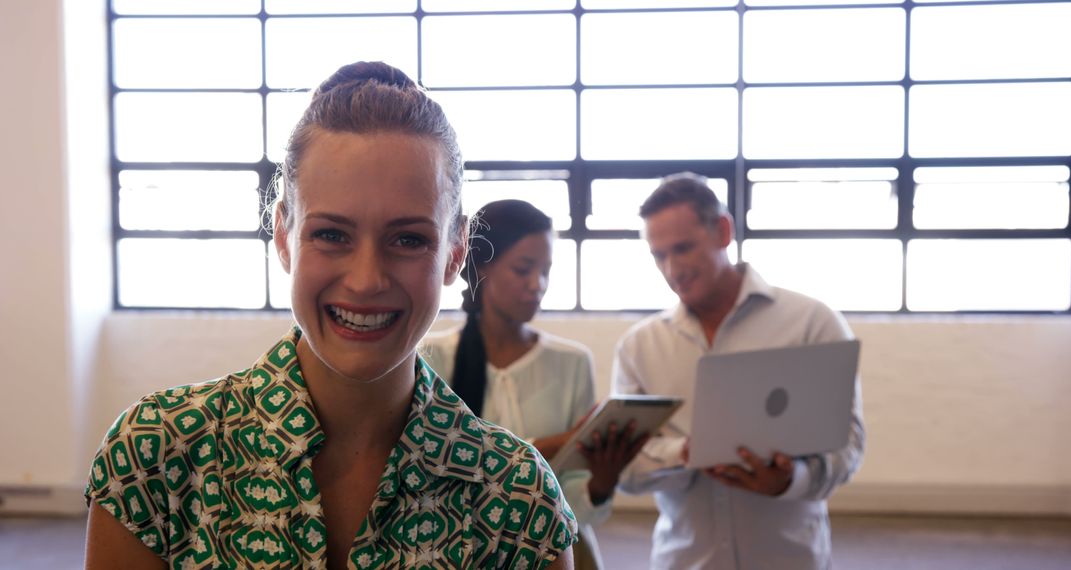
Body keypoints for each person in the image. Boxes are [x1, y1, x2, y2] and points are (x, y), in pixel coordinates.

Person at [84, 61, 577, 570]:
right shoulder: (160, 453)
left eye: (408, 239)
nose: (366, 280)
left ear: (455, 253)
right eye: (331, 235)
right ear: (282, 235)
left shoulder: (516, 494)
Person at [611, 172, 865, 569]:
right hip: (686, 561)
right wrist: (684, 454)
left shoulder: (812, 323)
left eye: (683, 248)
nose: (672, 269)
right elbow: (624, 468)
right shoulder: (639, 346)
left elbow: (848, 445)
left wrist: (790, 480)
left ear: (723, 231)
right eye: (659, 256)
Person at [423, 199, 646, 570]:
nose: (537, 285)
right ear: (482, 267)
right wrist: (553, 445)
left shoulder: (572, 362)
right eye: (524, 269)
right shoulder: (433, 360)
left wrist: (600, 485)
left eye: (546, 271)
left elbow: (574, 502)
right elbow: (435, 483)